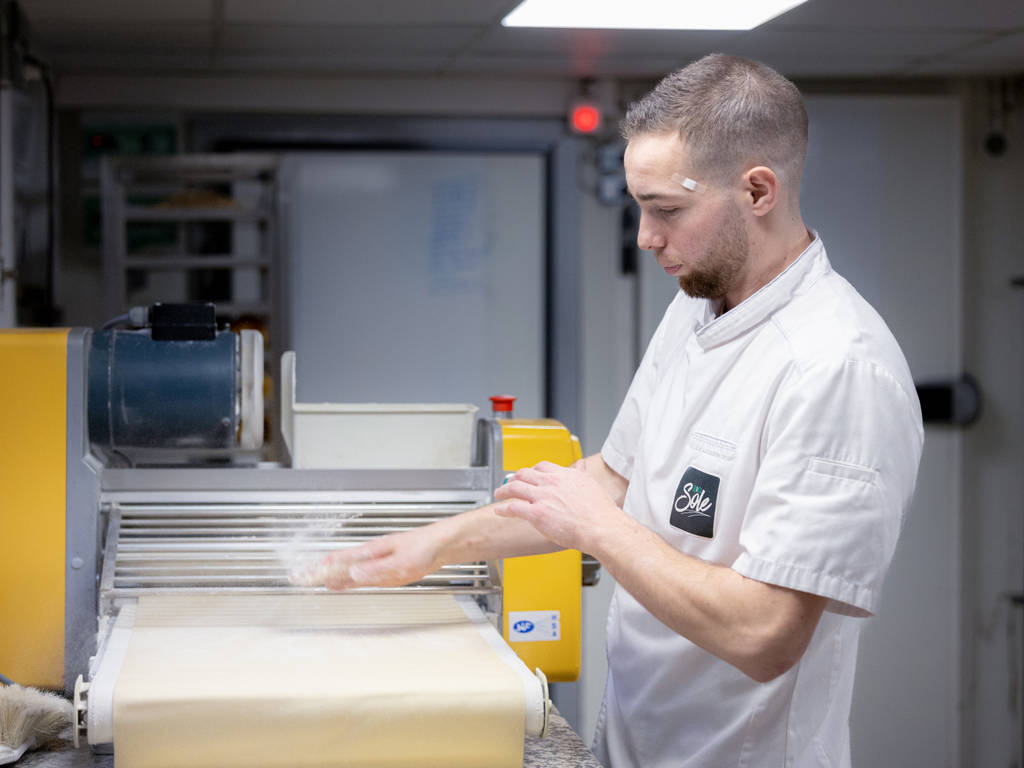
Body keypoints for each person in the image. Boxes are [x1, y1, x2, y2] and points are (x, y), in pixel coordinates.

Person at [296, 54, 924, 768]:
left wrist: (596, 529)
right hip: (635, 747)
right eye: (639, 207)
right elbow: (613, 480)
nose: (645, 237)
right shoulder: (696, 312)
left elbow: (765, 634)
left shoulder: (837, 368)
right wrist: (426, 548)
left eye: (667, 210)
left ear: (757, 191)